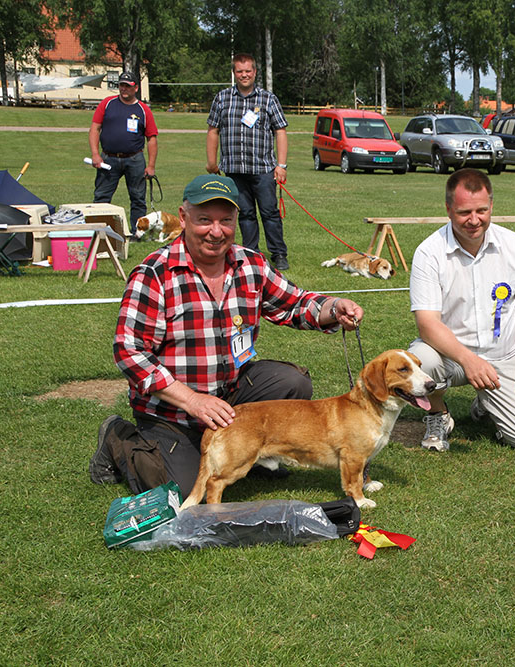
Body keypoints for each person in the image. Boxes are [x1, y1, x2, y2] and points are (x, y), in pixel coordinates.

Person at [89, 174, 364, 497]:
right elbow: (129, 352)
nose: (216, 232)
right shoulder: (153, 274)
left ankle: (259, 451)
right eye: (204, 220)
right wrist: (192, 400)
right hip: (173, 410)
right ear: (183, 217)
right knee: (185, 490)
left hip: (233, 397)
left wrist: (333, 308)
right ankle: (117, 438)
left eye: (226, 220)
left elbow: (294, 304)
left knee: (293, 382)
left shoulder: (251, 265)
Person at [408, 168, 515, 452]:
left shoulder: (514, 245)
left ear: (491, 206)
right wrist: (468, 360)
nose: (474, 220)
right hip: (451, 357)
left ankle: (487, 404)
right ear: (448, 209)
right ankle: (438, 415)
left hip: (505, 356)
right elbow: (427, 324)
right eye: (464, 212)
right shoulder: (429, 252)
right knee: (421, 359)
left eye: (481, 210)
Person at [206, 53, 290, 271]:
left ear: (254, 72)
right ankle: (251, 253)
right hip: (234, 169)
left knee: (270, 213)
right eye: (239, 71)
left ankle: (279, 253)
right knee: (245, 214)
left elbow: (280, 131)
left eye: (248, 71)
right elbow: (213, 130)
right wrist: (211, 162)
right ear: (234, 73)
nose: (244, 75)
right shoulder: (222, 98)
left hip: (263, 169)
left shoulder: (268, 99)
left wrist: (281, 165)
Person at [89, 71, 158, 233]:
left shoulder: (143, 110)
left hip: (134, 159)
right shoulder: (107, 103)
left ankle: (137, 233)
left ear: (136, 88)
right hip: (108, 159)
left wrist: (151, 165)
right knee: (101, 197)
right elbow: (94, 129)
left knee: (138, 199)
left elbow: (152, 138)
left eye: (128, 86)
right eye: (121, 85)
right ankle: (99, 230)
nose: (124, 89)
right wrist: (95, 154)